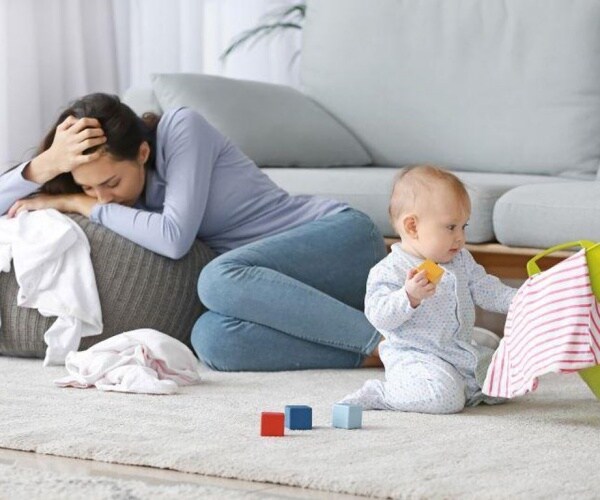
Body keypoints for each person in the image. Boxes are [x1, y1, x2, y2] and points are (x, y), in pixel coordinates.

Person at [0, 93, 386, 371]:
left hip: (337, 240)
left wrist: (83, 205)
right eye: (86, 188)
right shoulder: (115, 203)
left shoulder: (182, 129)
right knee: (212, 341)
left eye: (112, 182)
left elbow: (174, 237)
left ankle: (392, 347)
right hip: (270, 291)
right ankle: (367, 354)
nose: (103, 197)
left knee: (215, 280)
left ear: (142, 154)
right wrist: (44, 165)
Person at [340, 165, 518, 414]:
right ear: (412, 227)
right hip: (416, 357)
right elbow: (378, 315)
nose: (460, 238)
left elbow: (486, 287)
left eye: (463, 227)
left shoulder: (460, 260)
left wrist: (520, 300)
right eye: (451, 227)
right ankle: (382, 394)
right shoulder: (390, 270)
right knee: (443, 399)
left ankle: (466, 384)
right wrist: (408, 297)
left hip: (457, 351)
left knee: (511, 383)